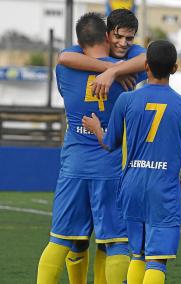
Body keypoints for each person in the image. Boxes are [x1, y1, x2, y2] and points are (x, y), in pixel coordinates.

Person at [82, 40, 181, 284]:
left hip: (131, 187)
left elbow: (109, 143)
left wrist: (96, 129)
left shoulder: (126, 100)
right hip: (163, 188)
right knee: (157, 260)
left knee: (137, 254)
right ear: (175, 68)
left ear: (145, 66)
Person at [37, 12, 141, 284]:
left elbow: (64, 57)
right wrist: (115, 70)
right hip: (112, 165)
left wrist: (107, 68)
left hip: (74, 166)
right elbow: (158, 59)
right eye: (118, 36)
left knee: (61, 239)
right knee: (115, 242)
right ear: (108, 36)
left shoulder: (65, 66)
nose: (123, 41)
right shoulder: (129, 65)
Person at [58, 8, 147, 97]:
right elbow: (63, 57)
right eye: (118, 36)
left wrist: (113, 72)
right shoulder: (89, 46)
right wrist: (111, 67)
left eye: (129, 38)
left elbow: (149, 58)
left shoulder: (133, 51)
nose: (123, 43)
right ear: (106, 34)